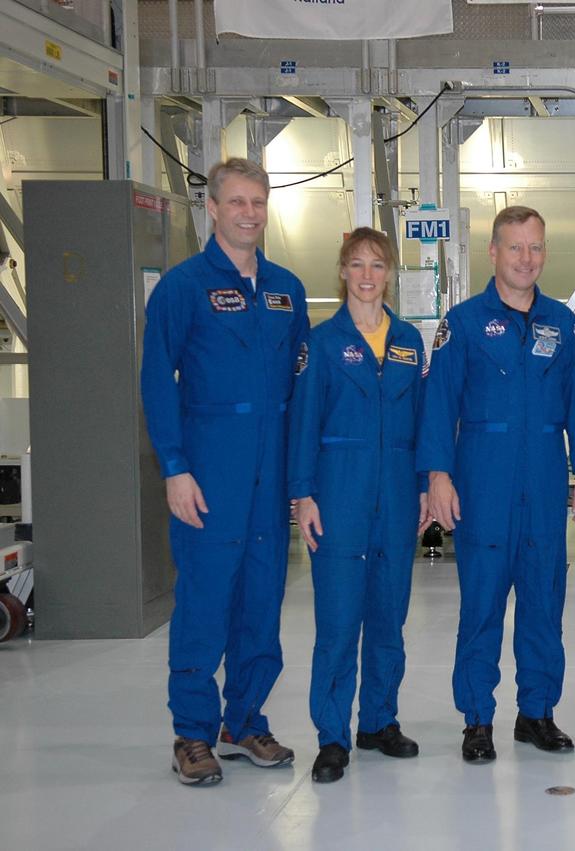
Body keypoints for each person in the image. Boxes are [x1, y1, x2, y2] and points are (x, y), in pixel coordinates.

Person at [141, 158, 308, 785]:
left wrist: (302, 477)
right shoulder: (183, 287)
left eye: (257, 202)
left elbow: (302, 380)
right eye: (236, 202)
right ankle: (191, 732)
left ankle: (243, 722)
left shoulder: (287, 289)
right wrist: (175, 467)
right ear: (211, 208)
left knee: (261, 601)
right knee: (205, 601)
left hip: (270, 476)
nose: (248, 213)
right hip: (210, 473)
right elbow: (157, 381)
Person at [419, 206, 575, 763]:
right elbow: (438, 404)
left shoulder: (561, 322)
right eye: (515, 247)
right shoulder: (463, 323)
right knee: (481, 604)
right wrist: (437, 475)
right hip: (484, 482)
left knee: (544, 601)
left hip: (543, 481)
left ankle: (536, 713)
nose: (527, 258)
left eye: (536, 247)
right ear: (493, 252)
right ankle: (477, 719)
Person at [288, 228, 430, 783]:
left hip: (396, 496)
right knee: (339, 621)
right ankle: (331, 736)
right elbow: (303, 423)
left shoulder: (409, 343)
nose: (367, 275)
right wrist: (303, 494)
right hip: (338, 495)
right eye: (357, 264)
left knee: (389, 617)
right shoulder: (322, 344)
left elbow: (424, 422)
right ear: (343, 271)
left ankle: (378, 721)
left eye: (377, 265)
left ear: (389, 273)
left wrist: (426, 485)